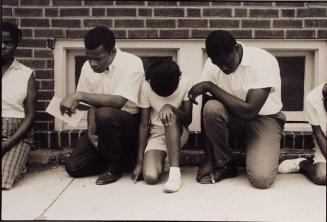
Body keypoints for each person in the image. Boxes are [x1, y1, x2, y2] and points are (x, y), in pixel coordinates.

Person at [188, 30, 286, 189]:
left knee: (261, 179)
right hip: (232, 117)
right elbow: (206, 113)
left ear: (237, 48)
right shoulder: (211, 65)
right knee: (211, 108)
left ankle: (263, 149)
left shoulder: (263, 61)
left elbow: (250, 111)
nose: (224, 67)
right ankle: (225, 164)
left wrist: (210, 86)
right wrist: (208, 159)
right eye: (218, 64)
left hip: (265, 118)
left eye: (227, 61)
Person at [60, 26, 144, 185]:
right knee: (74, 167)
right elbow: (92, 103)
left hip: (129, 125)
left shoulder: (132, 63)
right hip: (103, 126)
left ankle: (115, 166)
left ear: (112, 52)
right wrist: (91, 131)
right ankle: (122, 159)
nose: (92, 64)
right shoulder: (87, 67)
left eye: (98, 58)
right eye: (89, 57)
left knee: (105, 113)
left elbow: (119, 102)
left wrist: (78, 95)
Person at [131, 60, 193, 193]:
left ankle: (175, 174)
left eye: (168, 93)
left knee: (169, 117)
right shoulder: (146, 86)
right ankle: (166, 158)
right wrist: (139, 162)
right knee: (150, 177)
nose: (164, 96)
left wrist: (170, 107)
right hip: (157, 134)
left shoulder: (185, 83)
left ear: (178, 80)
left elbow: (188, 119)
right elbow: (144, 125)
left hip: (177, 131)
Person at [2, 21, 37, 190]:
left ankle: (17, 163)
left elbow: (30, 115)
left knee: (3, 177)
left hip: (17, 136)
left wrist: (7, 143)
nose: (2, 46)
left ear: (15, 45)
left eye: (8, 43)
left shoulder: (25, 74)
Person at [278, 82, 326, 185]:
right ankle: (302, 163)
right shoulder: (312, 99)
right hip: (324, 143)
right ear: (324, 98)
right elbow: (318, 134)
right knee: (321, 177)